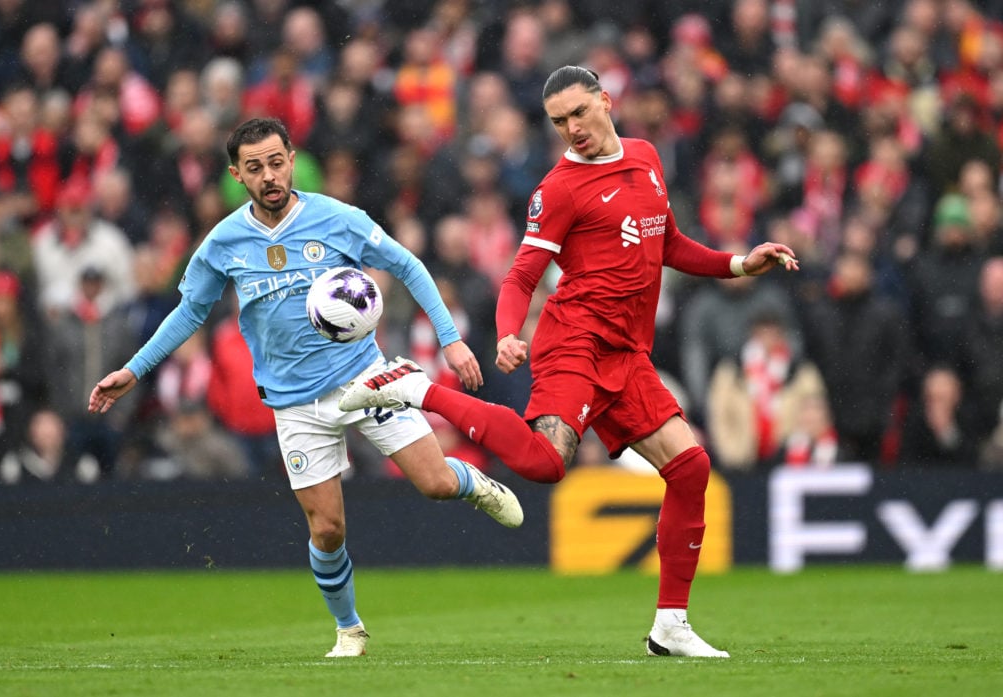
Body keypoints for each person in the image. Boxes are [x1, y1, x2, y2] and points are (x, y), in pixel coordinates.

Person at [339, 66, 799, 659]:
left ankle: (671, 625)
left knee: (689, 469)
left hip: (628, 353)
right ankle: (417, 389)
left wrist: (740, 263)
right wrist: (508, 333)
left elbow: (670, 246)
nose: (571, 129)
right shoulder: (557, 189)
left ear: (606, 101)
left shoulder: (646, 157)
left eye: (579, 113)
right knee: (543, 464)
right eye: (558, 122)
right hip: (575, 340)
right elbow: (522, 275)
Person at [87, 117, 523, 658]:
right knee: (328, 529)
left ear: (291, 160)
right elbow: (189, 312)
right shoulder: (225, 241)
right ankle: (349, 629)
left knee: (433, 483)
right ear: (236, 175)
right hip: (294, 403)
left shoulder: (336, 219)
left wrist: (451, 340)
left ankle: (474, 484)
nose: (268, 175)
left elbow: (407, 265)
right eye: (255, 168)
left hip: (364, 378)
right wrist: (135, 369)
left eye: (275, 162)